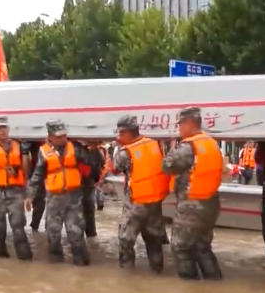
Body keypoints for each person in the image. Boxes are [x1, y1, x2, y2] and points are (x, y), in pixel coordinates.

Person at [162, 107, 224, 280]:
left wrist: (172, 147)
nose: (179, 129)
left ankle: (190, 285)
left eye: (180, 125)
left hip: (191, 205)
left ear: (189, 123)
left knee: (180, 247)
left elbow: (167, 166)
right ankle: (214, 282)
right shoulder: (211, 142)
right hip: (210, 202)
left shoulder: (188, 146)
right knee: (202, 247)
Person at [24, 119, 91, 266]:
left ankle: (82, 266)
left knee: (76, 234)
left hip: (73, 199)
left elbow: (92, 163)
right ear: (50, 136)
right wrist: (30, 196)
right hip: (54, 199)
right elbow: (37, 175)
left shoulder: (76, 148)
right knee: (53, 234)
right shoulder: (43, 151)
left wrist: (91, 148)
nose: (63, 139)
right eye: (59, 136)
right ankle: (55, 268)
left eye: (64, 135)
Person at [111, 115, 168, 273]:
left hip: (136, 204)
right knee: (154, 241)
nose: (119, 136)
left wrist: (119, 147)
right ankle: (157, 272)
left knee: (125, 240)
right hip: (155, 202)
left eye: (120, 133)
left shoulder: (126, 152)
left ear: (126, 132)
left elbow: (115, 168)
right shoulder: (154, 144)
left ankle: (127, 275)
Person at [0, 117, 32, 260]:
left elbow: (25, 170)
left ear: (8, 129)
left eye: (4, 127)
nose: (2, 130)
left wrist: (25, 154)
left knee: (18, 226)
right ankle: (1, 259)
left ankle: (25, 258)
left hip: (16, 192)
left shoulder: (18, 145)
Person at [78, 140, 105, 238]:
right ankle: (87, 236)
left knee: (87, 212)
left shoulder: (94, 153)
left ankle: (89, 236)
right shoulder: (81, 151)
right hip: (80, 186)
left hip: (86, 185)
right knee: (83, 213)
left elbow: (100, 164)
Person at [23, 141, 46, 232]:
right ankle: (35, 227)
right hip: (36, 171)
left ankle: (39, 228)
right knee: (39, 202)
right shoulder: (32, 142)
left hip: (53, 171)